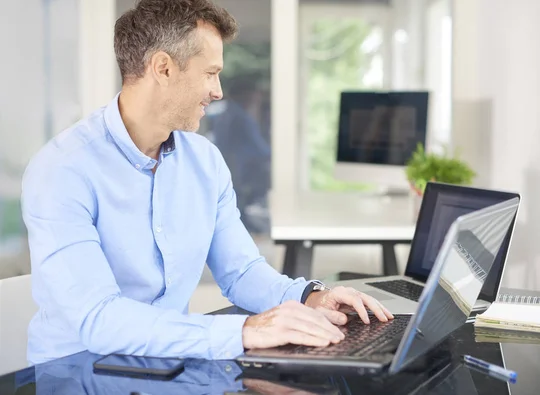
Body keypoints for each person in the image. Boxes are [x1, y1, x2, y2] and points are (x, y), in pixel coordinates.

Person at [21, 0, 393, 365]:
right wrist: (245, 331)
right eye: (210, 72)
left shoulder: (205, 161)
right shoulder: (62, 171)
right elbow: (98, 319)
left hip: (167, 364)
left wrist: (311, 297)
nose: (218, 91)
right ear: (163, 68)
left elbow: (241, 272)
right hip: (75, 372)